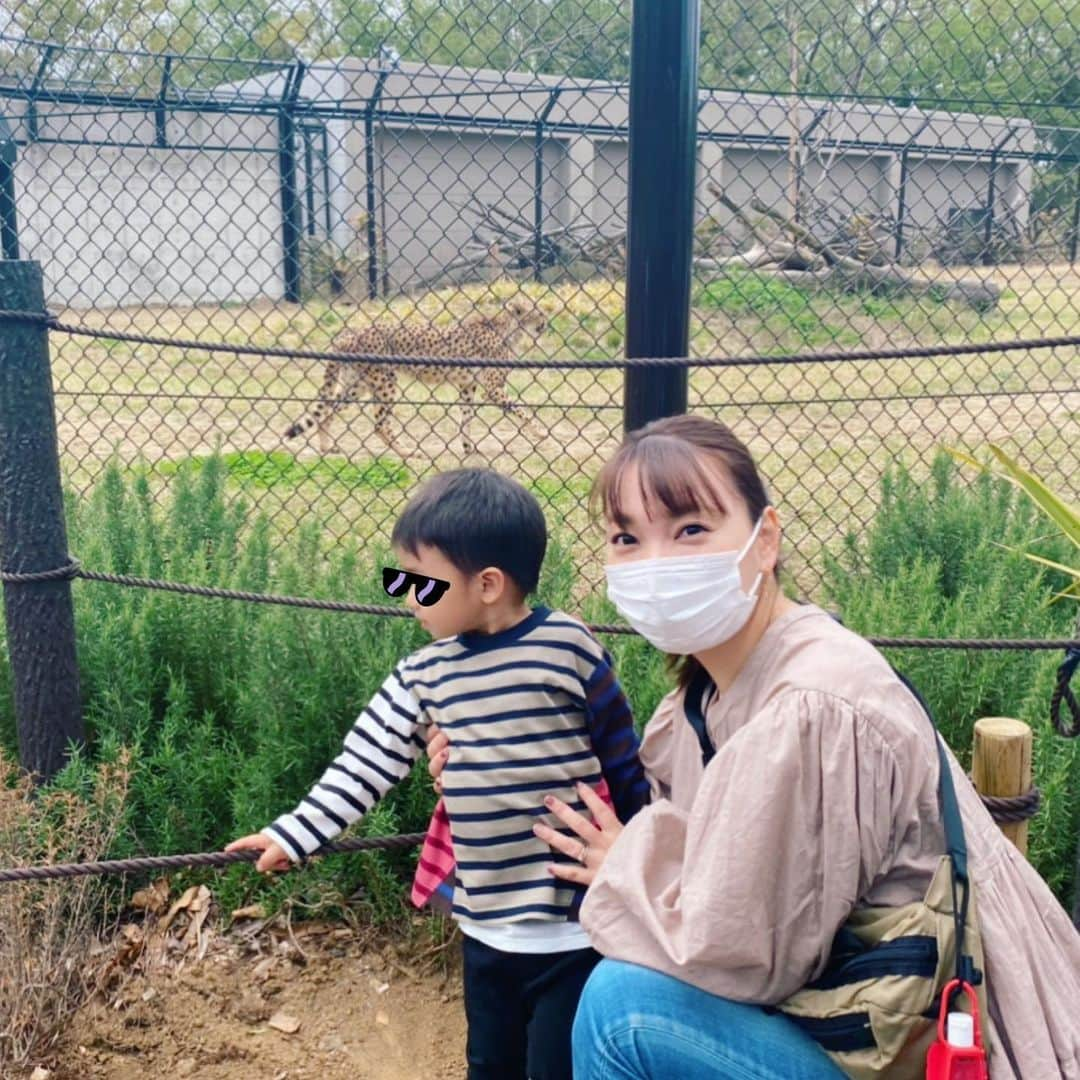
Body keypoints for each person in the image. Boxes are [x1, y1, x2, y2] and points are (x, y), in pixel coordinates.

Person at [427, 415, 1080, 1079]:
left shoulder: (811, 706)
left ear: (764, 540)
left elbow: (743, 958)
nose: (655, 563)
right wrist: (486, 759)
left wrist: (625, 865)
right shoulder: (707, 691)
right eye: (627, 537)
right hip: (855, 1015)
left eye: (690, 530)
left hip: (923, 1047)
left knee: (622, 1009)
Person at [226, 467, 649, 1080]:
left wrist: (639, 855)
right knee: (489, 1063)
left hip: (576, 929)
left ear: (488, 584)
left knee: (558, 1067)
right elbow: (365, 759)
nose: (406, 597)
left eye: (420, 582)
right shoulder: (422, 676)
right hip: (485, 928)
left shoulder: (569, 648)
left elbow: (622, 754)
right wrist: (295, 834)